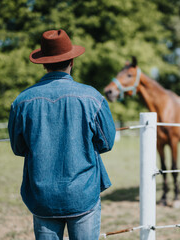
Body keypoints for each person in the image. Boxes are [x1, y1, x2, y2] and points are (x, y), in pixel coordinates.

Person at [8, 29, 116, 240]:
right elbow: (107, 142)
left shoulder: (21, 102)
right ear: (72, 61)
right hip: (83, 193)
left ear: (44, 63)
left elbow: (18, 147)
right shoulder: (92, 98)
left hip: (42, 195)